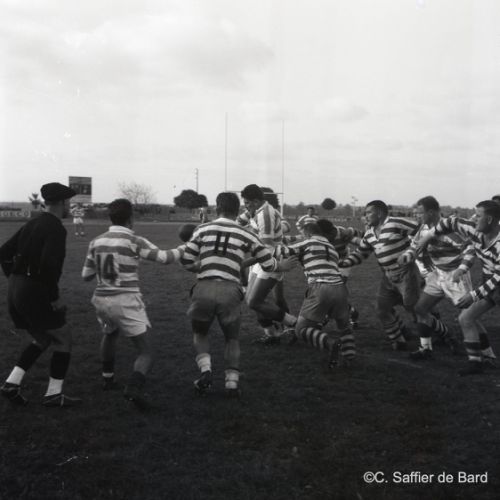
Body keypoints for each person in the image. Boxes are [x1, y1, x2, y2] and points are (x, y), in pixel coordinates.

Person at [180, 192, 295, 397]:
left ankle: (206, 370)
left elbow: (187, 261)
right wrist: (282, 265)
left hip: (204, 288)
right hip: (230, 290)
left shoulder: (202, 229)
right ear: (238, 210)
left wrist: (205, 266)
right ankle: (232, 384)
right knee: (232, 339)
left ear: (217, 208)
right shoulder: (247, 233)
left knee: (200, 333)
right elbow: (268, 263)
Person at [81, 198, 185, 409]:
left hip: (101, 299)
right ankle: (134, 388)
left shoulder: (96, 241)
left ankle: (107, 378)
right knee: (147, 351)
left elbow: (86, 275)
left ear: (111, 217)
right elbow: (165, 258)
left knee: (109, 334)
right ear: (131, 218)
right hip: (125, 300)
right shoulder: (134, 240)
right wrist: (186, 247)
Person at [0, 182, 81, 407]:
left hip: (15, 288)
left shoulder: (32, 222)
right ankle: (54, 394)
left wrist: (15, 277)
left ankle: (11, 384)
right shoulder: (55, 227)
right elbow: (49, 265)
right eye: (69, 202)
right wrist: (54, 297)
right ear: (62, 202)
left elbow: (3, 253)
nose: (69, 206)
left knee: (43, 338)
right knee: (64, 337)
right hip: (33, 290)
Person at [416, 200, 500, 375]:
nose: (473, 219)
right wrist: (427, 236)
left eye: (478, 215)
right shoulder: (474, 229)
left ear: (490, 219)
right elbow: (450, 221)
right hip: (489, 280)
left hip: (496, 281)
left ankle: (483, 359)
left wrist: (473, 295)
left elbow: (498, 278)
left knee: (466, 317)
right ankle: (479, 361)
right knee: (466, 317)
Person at [339, 200, 424, 350]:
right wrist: (344, 263)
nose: (365, 216)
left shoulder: (395, 223)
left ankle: (442, 335)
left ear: (379, 213)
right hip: (388, 276)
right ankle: (399, 341)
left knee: (414, 308)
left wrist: (412, 252)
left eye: (368, 213)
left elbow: (421, 231)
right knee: (382, 308)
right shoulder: (369, 233)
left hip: (407, 273)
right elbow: (361, 253)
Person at [400, 196, 474, 360]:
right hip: (437, 275)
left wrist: (461, 269)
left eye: (419, 213)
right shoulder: (423, 228)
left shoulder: (449, 229)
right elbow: (415, 246)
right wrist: (407, 255)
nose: (416, 216)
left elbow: (469, 248)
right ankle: (427, 348)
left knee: (468, 317)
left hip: (456, 276)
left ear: (431, 212)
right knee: (420, 309)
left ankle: (484, 354)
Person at [283, 221, 355, 367]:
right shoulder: (332, 248)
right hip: (340, 287)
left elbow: (283, 251)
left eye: (304, 235)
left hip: (320, 287)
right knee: (344, 326)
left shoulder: (308, 243)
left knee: (301, 330)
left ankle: (330, 343)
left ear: (308, 234)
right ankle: (350, 358)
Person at [240, 184, 296, 345]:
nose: (245, 206)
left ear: (256, 201)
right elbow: (237, 223)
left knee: (254, 301)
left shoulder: (265, 214)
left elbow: (267, 249)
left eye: (247, 203)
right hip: (261, 257)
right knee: (254, 301)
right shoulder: (256, 210)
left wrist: (244, 263)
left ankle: (295, 324)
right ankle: (273, 334)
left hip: (270, 259)